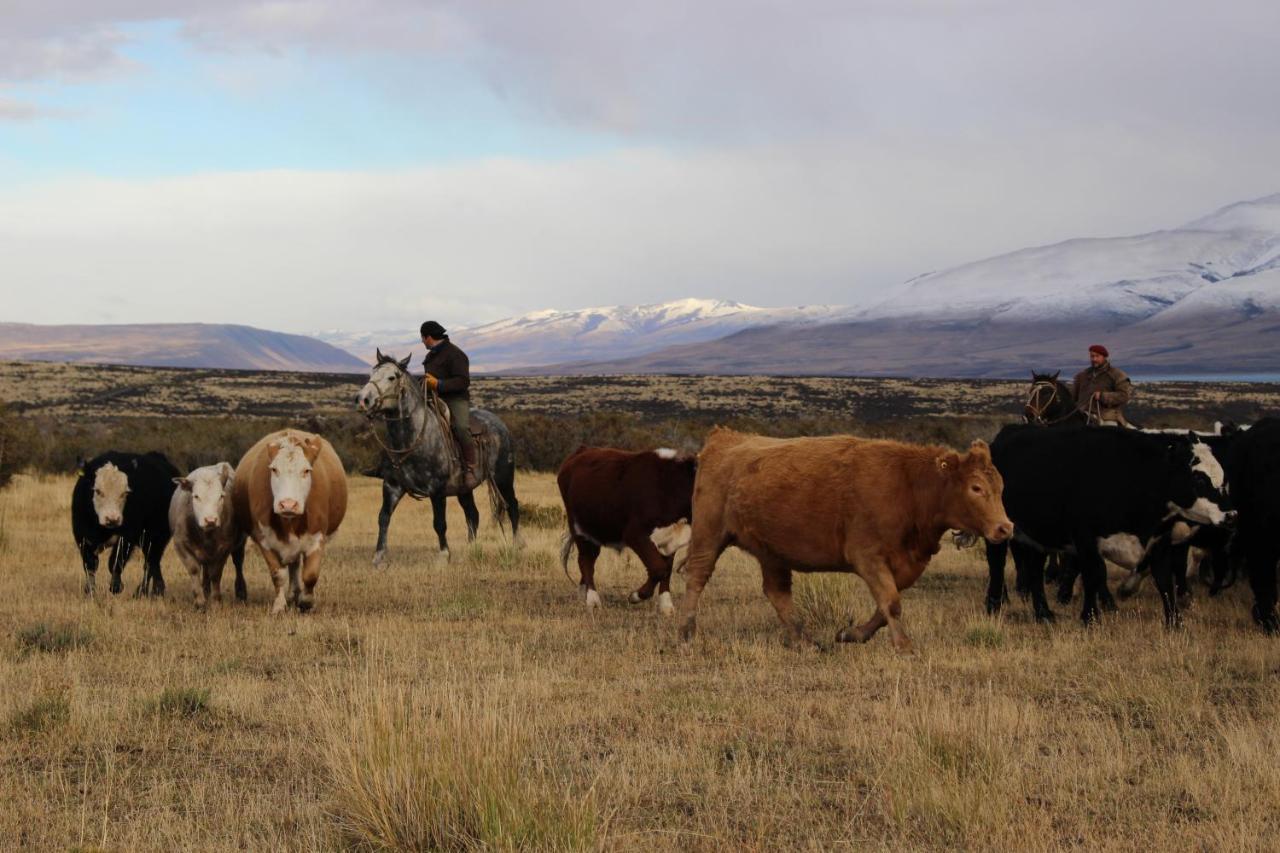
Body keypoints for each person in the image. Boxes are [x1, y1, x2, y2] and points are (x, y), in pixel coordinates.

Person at [420, 321, 478, 490]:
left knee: (460, 427)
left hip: (455, 399)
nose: (422, 342)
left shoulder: (455, 354)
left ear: (429, 337)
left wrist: (439, 384)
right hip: (433, 398)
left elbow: (463, 381)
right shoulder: (431, 355)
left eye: (423, 339)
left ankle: (470, 467)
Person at [1072, 344, 1132, 426]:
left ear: (1104, 357)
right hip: (1082, 414)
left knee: (1108, 434)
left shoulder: (1117, 374)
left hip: (1107, 416)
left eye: (1097, 356)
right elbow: (1073, 398)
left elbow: (1124, 396)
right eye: (1092, 356)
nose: (1094, 359)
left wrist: (1103, 396)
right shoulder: (1082, 375)